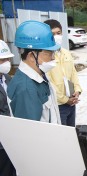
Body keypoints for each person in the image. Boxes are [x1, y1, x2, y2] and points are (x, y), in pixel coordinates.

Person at [7, 20, 61, 124]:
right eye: (48, 53)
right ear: (32, 56)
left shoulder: (39, 75)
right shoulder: (26, 89)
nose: (53, 58)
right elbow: (30, 136)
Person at [44, 19, 82, 127]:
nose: (56, 36)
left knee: (71, 133)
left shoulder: (66, 53)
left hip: (72, 103)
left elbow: (73, 73)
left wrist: (77, 91)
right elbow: (49, 82)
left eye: (58, 33)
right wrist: (65, 100)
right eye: (52, 34)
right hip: (58, 105)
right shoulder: (46, 56)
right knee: (62, 136)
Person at [0, 40, 16, 176]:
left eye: (7, 59)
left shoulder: (7, 78)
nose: (6, 63)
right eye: (1, 60)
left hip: (11, 138)